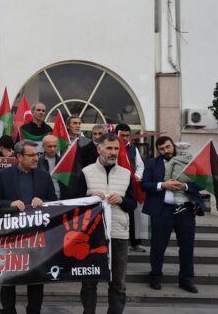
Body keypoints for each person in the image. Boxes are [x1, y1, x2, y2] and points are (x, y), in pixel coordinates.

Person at [73, 133, 138, 314]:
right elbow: (75, 204)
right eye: (109, 148)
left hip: (118, 235)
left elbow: (133, 204)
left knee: (118, 284)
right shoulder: (86, 172)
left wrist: (122, 200)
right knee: (88, 283)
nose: (113, 152)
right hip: (92, 238)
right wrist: (89, 198)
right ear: (99, 149)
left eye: (116, 148)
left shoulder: (126, 174)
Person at [0, 140, 56, 314]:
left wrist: (44, 202)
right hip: (11, 236)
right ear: (19, 156)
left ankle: (34, 311)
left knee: (36, 279)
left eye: (37, 154)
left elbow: (55, 202)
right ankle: (8, 310)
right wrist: (10, 203)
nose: (36, 158)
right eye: (31, 155)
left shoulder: (44, 176)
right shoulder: (3, 176)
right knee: (8, 278)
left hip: (36, 237)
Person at [141, 136, 202, 294]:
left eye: (168, 147)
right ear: (158, 150)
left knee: (187, 246)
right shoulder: (152, 163)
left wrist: (185, 186)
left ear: (173, 146)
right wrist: (163, 185)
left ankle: (186, 280)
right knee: (157, 246)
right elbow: (144, 184)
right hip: (162, 210)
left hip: (186, 210)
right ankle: (155, 277)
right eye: (162, 149)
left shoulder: (188, 160)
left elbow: (201, 182)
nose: (166, 151)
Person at [115, 123, 146, 253]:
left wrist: (136, 175)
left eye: (128, 135)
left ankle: (136, 242)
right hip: (116, 185)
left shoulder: (134, 149)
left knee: (134, 214)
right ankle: (122, 243)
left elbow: (140, 165)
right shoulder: (113, 147)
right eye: (123, 135)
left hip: (131, 184)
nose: (125, 138)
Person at [38, 135, 64, 199]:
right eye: (49, 146)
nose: (53, 149)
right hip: (45, 198)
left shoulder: (63, 161)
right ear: (43, 146)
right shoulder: (37, 162)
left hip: (62, 197)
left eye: (55, 146)